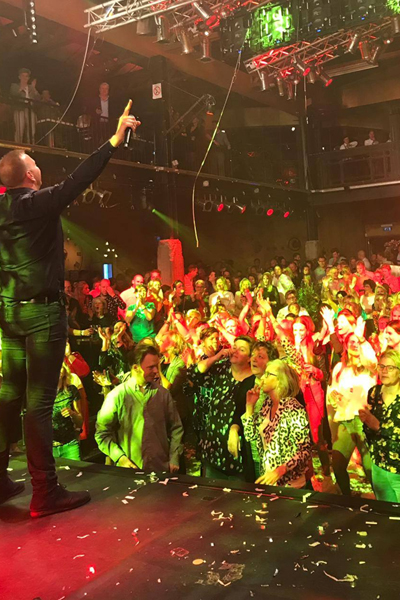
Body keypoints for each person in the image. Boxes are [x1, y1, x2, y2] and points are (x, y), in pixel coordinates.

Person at [0, 99, 140, 515]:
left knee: (8, 395)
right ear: (29, 175)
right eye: (34, 162)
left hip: (9, 313)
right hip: (42, 313)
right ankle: (45, 492)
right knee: (39, 402)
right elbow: (79, 179)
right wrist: (114, 139)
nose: (39, 165)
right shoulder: (35, 202)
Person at [95, 345, 183, 472]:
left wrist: (174, 458)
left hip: (160, 469)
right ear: (136, 368)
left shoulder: (163, 394)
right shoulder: (117, 396)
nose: (156, 371)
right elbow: (102, 433)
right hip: (129, 472)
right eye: (151, 367)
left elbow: (176, 428)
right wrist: (120, 457)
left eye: (157, 366)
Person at [242, 359, 311, 488]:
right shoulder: (267, 405)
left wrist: (281, 470)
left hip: (291, 484)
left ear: (280, 380)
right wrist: (249, 406)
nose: (263, 378)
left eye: (268, 374)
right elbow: (250, 435)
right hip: (269, 480)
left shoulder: (292, 408)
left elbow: (304, 451)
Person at [360, 349, 400, 501]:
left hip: (398, 470)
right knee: (385, 512)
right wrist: (366, 421)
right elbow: (369, 432)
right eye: (381, 367)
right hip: (379, 465)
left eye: (390, 367)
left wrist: (378, 426)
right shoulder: (374, 393)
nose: (384, 371)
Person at [52, 364, 83, 460]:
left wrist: (72, 414)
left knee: (76, 469)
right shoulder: (42, 394)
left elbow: (80, 421)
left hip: (70, 444)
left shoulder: (71, 390)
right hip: (49, 447)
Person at [10, 67, 41, 144]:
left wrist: (34, 89)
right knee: (19, 130)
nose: (24, 78)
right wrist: (21, 88)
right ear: (19, 77)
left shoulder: (31, 87)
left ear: (28, 78)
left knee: (32, 131)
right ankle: (18, 147)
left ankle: (31, 147)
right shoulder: (15, 86)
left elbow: (38, 98)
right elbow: (13, 95)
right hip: (20, 109)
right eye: (23, 76)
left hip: (30, 110)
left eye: (26, 76)